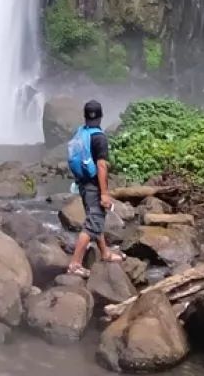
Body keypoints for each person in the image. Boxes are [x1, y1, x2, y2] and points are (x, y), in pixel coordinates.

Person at [67, 99, 125, 277]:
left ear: (85, 116)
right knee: (93, 223)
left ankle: (105, 253)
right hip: (94, 186)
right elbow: (101, 166)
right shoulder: (99, 137)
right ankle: (75, 264)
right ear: (101, 116)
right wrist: (105, 193)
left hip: (83, 183)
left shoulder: (81, 132)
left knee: (95, 219)